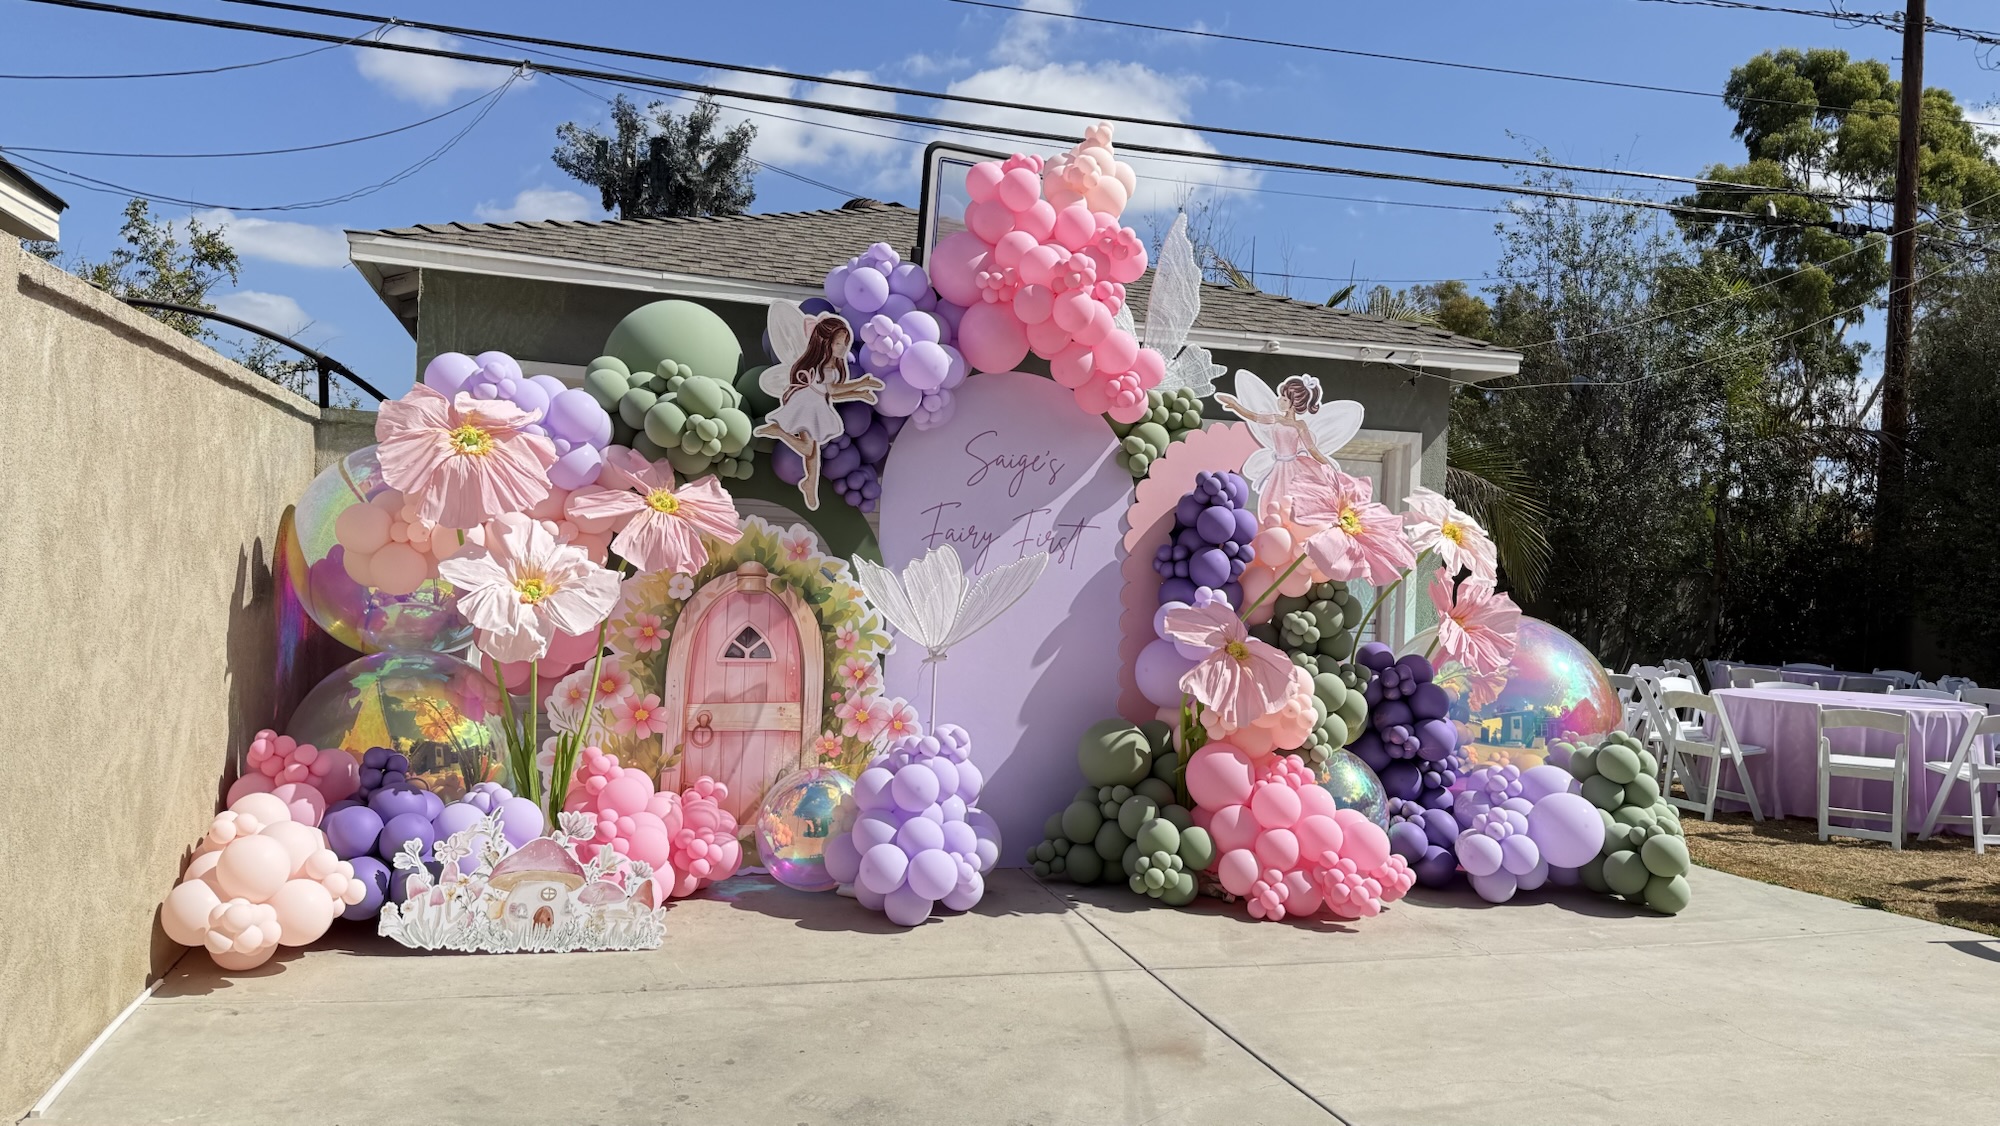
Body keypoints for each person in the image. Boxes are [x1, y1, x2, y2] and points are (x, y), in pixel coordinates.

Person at [755, 314, 883, 510]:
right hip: (807, 405)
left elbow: (832, 394)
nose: (843, 347)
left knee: (812, 451)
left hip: (817, 404)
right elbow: (834, 390)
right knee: (809, 449)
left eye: (845, 343)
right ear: (826, 342)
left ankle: (810, 484)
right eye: (838, 343)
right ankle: (779, 432)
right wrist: (860, 384)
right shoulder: (824, 365)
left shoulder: (832, 364)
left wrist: (859, 393)